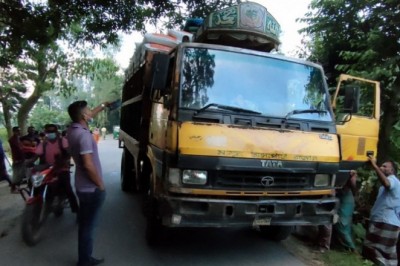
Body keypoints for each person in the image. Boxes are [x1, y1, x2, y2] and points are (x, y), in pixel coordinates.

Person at [67, 100, 109, 266]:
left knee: (84, 225)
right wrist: (100, 185)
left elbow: (89, 115)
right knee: (88, 228)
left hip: (81, 186)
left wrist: (103, 105)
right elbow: (88, 165)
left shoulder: (72, 130)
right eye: (89, 110)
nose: (92, 112)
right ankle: (85, 261)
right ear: (84, 115)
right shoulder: (84, 135)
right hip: (91, 189)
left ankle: (83, 258)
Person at [362, 156, 400, 266]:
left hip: (386, 222)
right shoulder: (389, 185)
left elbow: (387, 183)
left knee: (379, 255)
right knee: (382, 256)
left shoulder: (393, 181)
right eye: (381, 166)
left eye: (385, 166)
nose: (381, 167)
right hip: (384, 221)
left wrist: (374, 166)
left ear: (392, 170)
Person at [33, 124, 79, 213]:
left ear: (57, 132)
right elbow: (36, 156)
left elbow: (69, 153)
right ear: (45, 132)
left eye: (52, 131)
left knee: (68, 189)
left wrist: (64, 161)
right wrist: (28, 162)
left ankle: (76, 210)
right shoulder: (43, 144)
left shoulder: (63, 141)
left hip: (62, 168)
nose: (51, 133)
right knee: (37, 185)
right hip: (48, 170)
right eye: (48, 132)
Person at [333, 170, 357, 252]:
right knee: (338, 222)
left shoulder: (351, 170)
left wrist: (352, 177)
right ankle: (345, 246)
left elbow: (353, 186)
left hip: (346, 197)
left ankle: (352, 248)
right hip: (339, 196)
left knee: (343, 224)